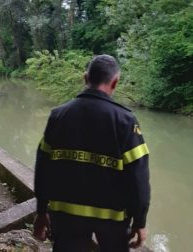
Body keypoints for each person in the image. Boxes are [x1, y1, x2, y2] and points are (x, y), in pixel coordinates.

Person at [33, 55, 150, 252]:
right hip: (112, 221)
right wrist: (140, 221)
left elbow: (43, 167)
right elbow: (138, 177)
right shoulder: (125, 120)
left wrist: (42, 210)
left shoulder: (59, 115)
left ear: (85, 78)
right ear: (115, 82)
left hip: (66, 215)